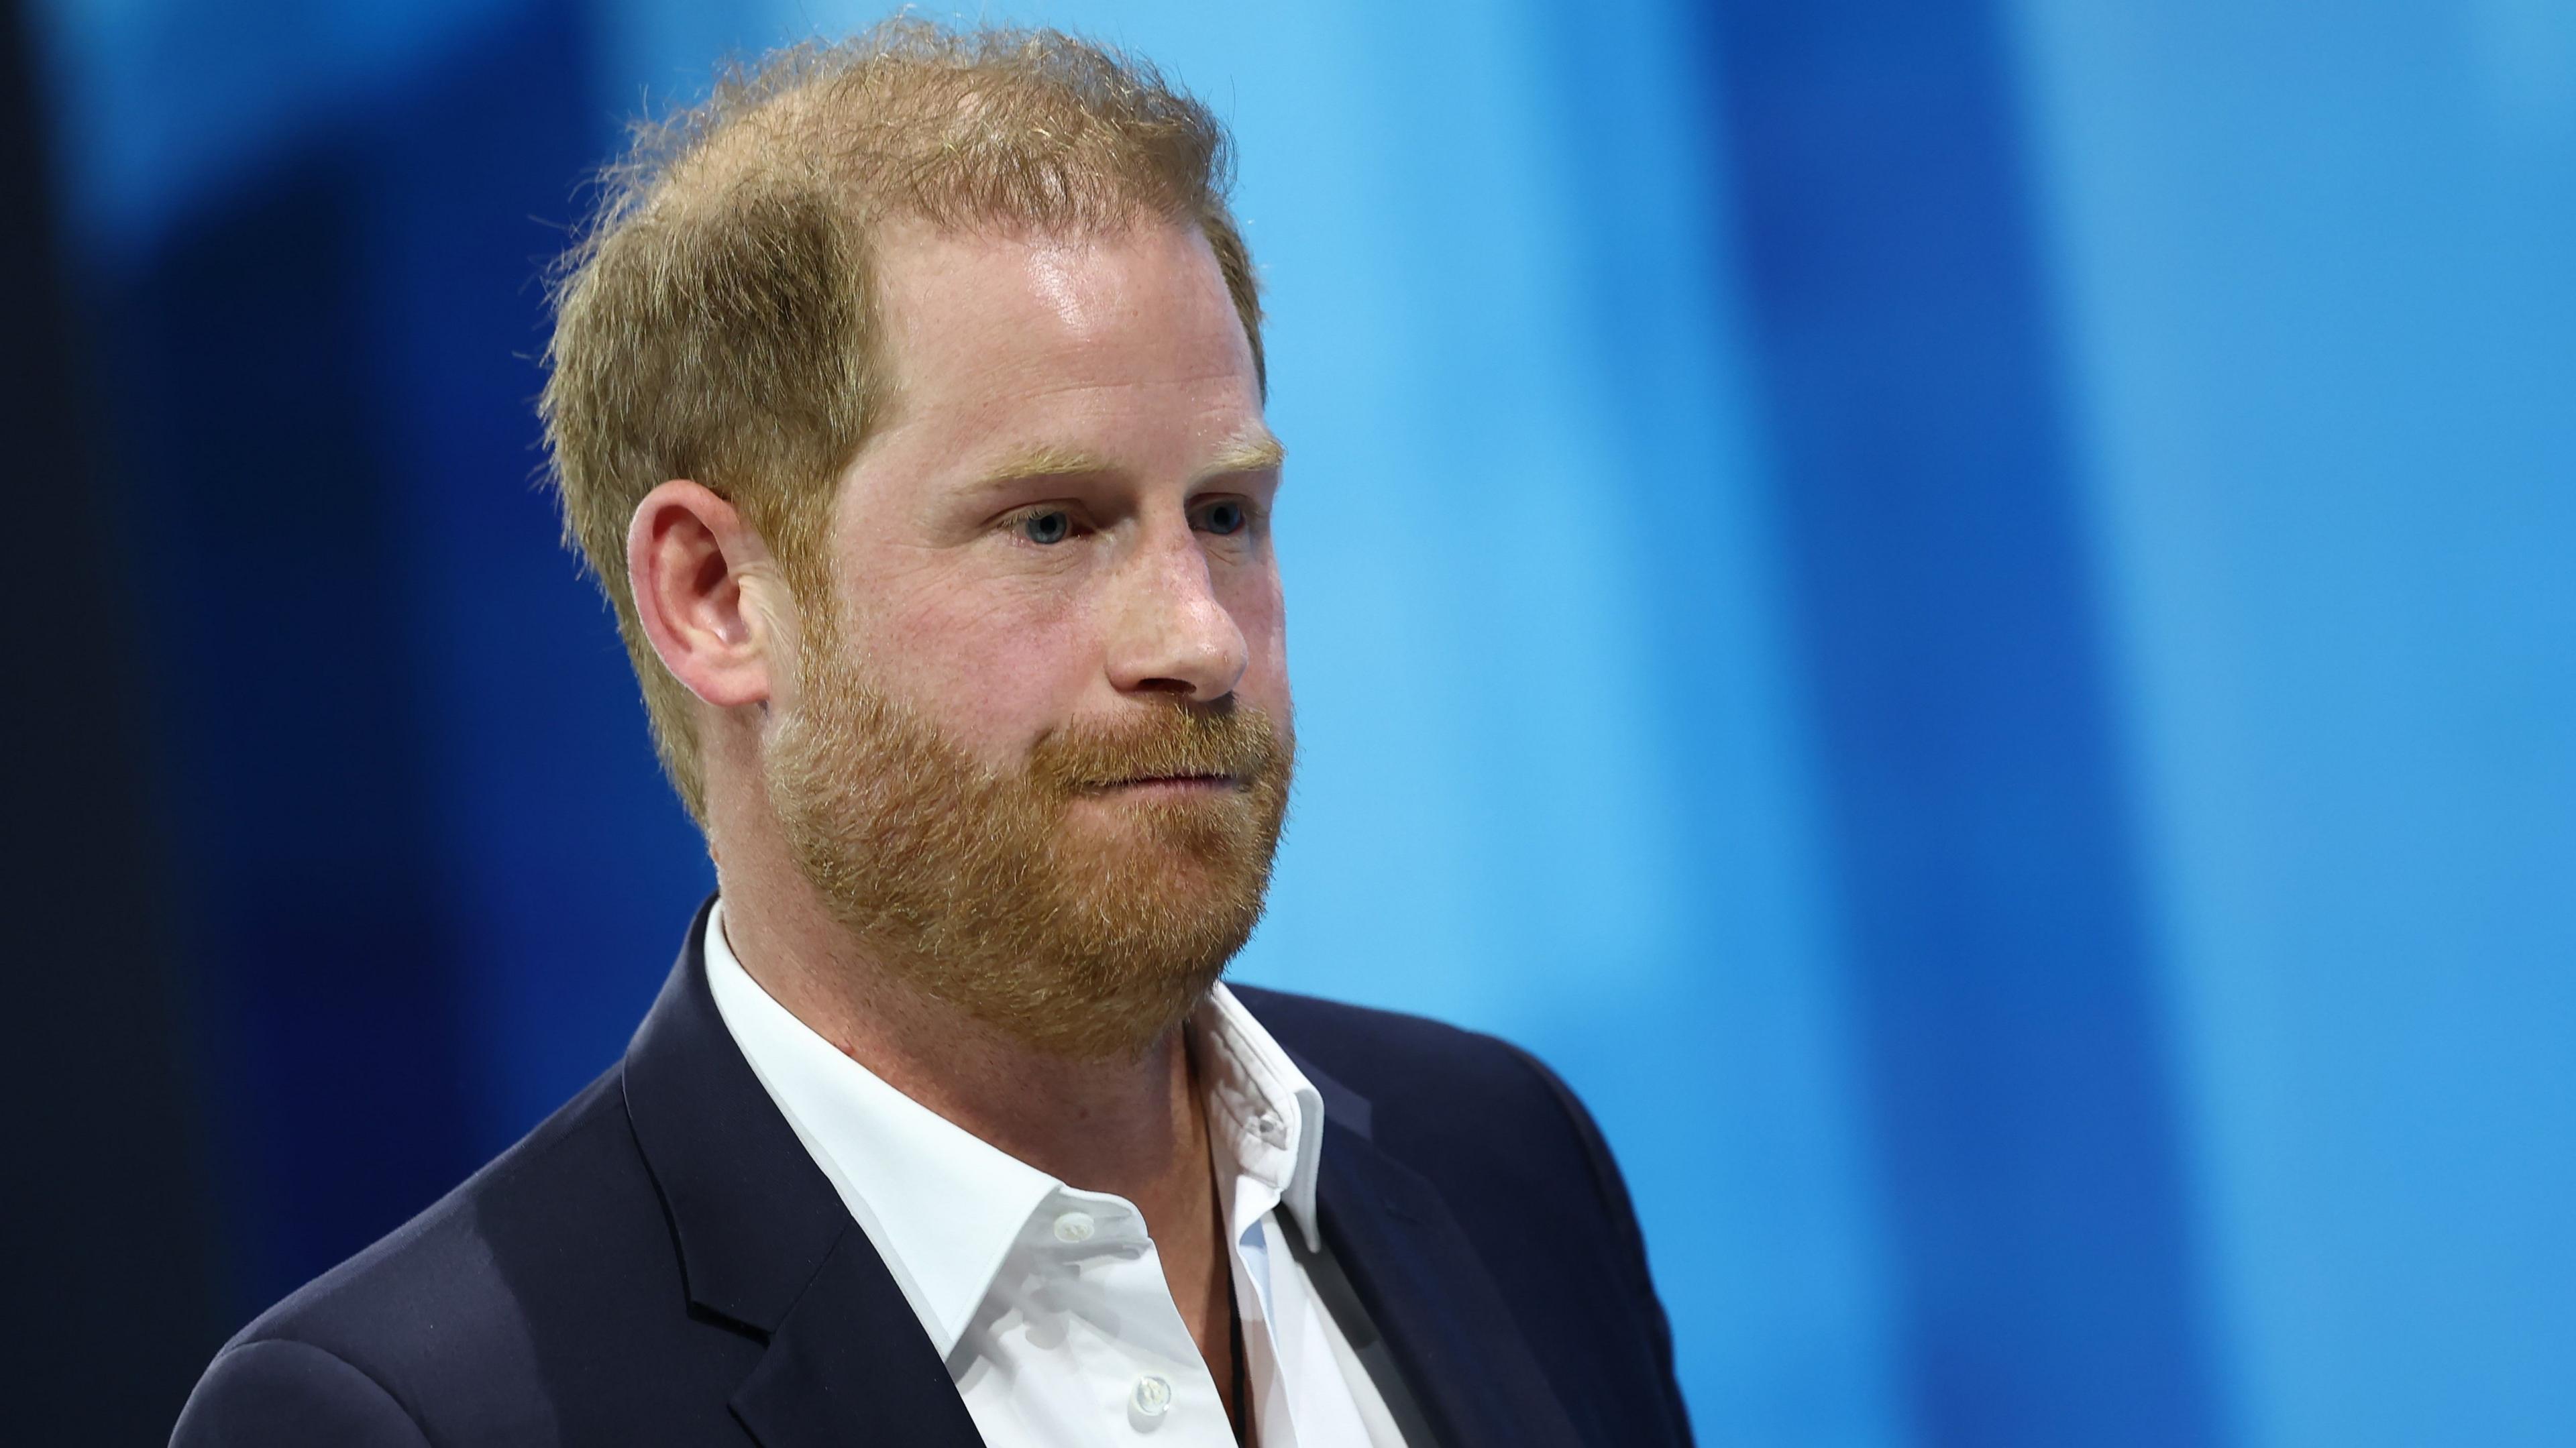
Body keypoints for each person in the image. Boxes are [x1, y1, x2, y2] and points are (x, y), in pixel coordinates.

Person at [172, 21, 1692, 1448]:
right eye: (1051, 524)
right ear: (715, 597)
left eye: (1223, 514)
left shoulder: (1502, 1162)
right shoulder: (417, 1418)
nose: (1200, 636)